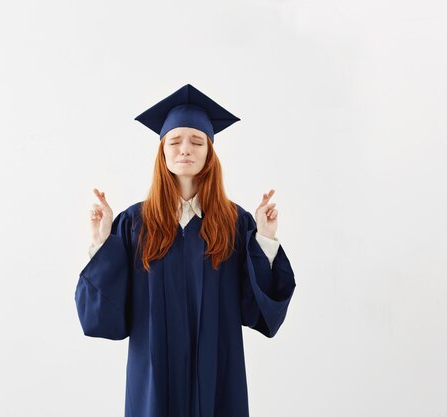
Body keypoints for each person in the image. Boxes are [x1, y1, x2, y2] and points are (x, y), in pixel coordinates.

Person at [75, 84, 296, 417]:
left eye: (197, 141)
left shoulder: (235, 222)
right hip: (153, 374)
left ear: (210, 152)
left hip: (218, 371)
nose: (185, 150)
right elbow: (101, 314)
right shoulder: (135, 222)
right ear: (162, 151)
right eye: (175, 142)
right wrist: (102, 241)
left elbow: (256, 308)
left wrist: (264, 238)